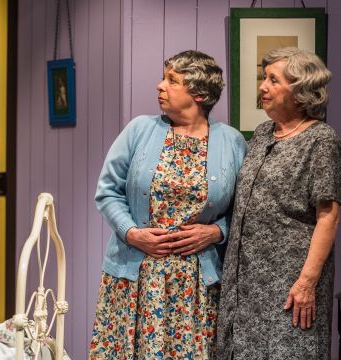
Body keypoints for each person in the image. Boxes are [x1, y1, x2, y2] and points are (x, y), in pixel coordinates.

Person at [89, 50, 247, 359]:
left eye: (172, 81)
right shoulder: (139, 130)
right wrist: (131, 232)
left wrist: (216, 232)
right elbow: (107, 191)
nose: (160, 86)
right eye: (164, 78)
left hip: (197, 283)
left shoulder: (231, 141)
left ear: (199, 94)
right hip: (136, 276)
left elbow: (244, 212)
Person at [217, 47, 341, 359]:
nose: (263, 86)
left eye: (273, 80)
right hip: (244, 284)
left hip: (290, 284)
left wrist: (306, 283)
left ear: (300, 92)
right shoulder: (262, 134)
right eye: (264, 78)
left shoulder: (321, 140)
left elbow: (328, 217)